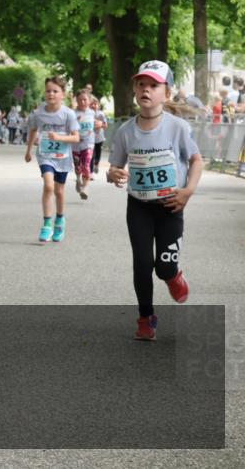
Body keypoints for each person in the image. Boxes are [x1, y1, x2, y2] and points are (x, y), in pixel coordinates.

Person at [106, 60, 202, 341]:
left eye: (153, 85)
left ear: (166, 93)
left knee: (163, 267)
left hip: (171, 205)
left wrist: (188, 191)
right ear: (135, 90)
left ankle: (173, 275)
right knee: (142, 261)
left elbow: (196, 160)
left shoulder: (178, 128)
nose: (146, 89)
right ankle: (145, 317)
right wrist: (114, 174)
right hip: (139, 206)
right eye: (141, 84)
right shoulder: (125, 131)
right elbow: (114, 168)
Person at [24, 76, 80, 243]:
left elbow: (76, 138)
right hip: (45, 156)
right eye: (48, 91)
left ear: (63, 94)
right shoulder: (38, 113)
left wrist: (59, 138)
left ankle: (60, 221)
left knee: (59, 191)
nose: (51, 94)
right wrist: (28, 151)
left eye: (55, 91)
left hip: (62, 157)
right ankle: (47, 224)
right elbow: (33, 130)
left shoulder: (68, 114)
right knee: (48, 186)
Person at [72, 90, 96, 199]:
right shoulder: (72, 114)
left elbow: (97, 125)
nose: (82, 102)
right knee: (78, 166)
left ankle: (85, 188)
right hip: (76, 144)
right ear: (76, 100)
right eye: (80, 100)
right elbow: (68, 128)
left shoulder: (92, 112)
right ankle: (78, 179)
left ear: (89, 100)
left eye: (85, 99)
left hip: (88, 143)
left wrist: (100, 125)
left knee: (86, 165)